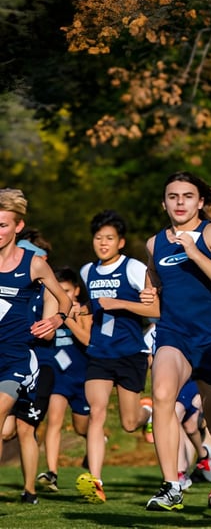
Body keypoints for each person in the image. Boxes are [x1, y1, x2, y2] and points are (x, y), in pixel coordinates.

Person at [144, 172, 211, 523]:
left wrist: (194, 252)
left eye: (188, 196)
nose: (180, 202)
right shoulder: (155, 243)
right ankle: (172, 484)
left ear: (200, 202)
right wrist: (148, 292)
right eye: (173, 196)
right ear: (164, 203)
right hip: (174, 334)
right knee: (161, 394)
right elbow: (156, 286)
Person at [75, 209, 158, 504]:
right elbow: (92, 304)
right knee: (96, 412)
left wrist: (119, 303)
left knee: (129, 422)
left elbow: (156, 310)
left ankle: (147, 413)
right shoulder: (87, 271)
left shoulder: (134, 268)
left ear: (120, 242)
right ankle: (95, 481)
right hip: (99, 353)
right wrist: (82, 310)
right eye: (98, 238)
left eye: (109, 238)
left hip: (130, 353)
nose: (103, 243)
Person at [0, 188, 71, 504]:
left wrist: (56, 320)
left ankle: (29, 489)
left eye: (3, 225)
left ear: (18, 226)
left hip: (17, 358)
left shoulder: (34, 264)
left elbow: (64, 298)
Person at [37, 267, 92, 493]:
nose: (64, 295)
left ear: (77, 291)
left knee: (82, 428)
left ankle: (96, 442)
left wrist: (69, 320)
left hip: (83, 378)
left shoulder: (83, 312)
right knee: (54, 421)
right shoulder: (48, 311)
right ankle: (52, 473)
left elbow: (89, 341)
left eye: (67, 291)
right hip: (58, 376)